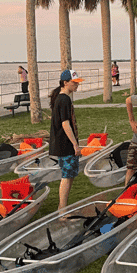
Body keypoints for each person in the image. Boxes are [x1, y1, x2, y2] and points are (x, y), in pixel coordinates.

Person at [50, 70, 83, 209]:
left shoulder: (62, 97)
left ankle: (62, 208)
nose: (77, 85)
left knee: (69, 175)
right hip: (65, 144)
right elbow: (65, 124)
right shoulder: (63, 99)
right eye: (74, 82)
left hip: (64, 144)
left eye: (77, 82)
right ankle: (62, 209)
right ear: (65, 83)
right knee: (67, 176)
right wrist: (75, 145)